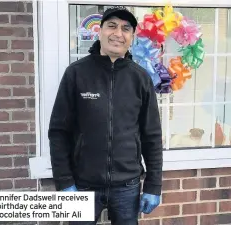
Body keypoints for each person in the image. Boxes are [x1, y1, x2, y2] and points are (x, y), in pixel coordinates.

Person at [48, 6, 163, 225]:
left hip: (127, 187)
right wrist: (64, 181)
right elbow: (58, 132)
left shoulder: (141, 79)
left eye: (125, 29)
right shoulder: (76, 74)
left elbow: (152, 136)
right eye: (111, 26)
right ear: (99, 31)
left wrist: (153, 185)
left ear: (131, 37)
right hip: (83, 184)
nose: (118, 33)